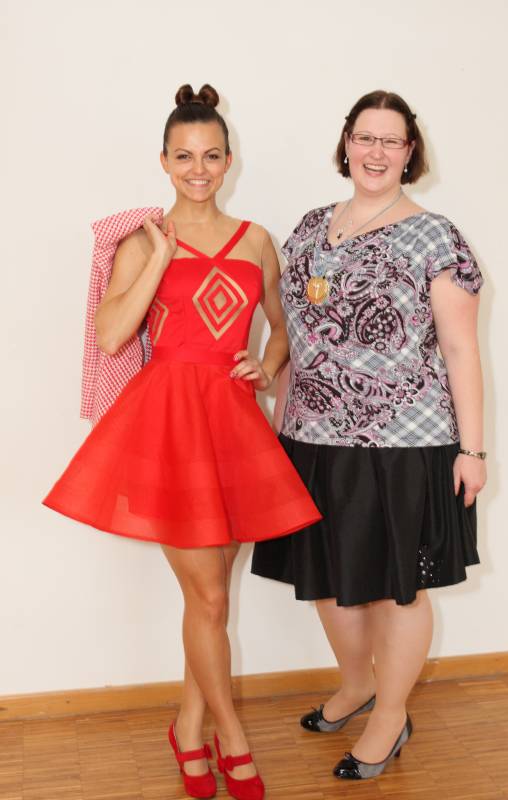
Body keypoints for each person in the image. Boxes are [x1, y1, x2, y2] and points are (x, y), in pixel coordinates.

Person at [44, 83, 320, 800]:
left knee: (210, 602)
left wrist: (268, 364)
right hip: (166, 423)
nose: (199, 169)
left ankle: (187, 728)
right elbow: (112, 334)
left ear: (229, 160)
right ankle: (232, 738)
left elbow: (282, 325)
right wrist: (160, 259)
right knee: (210, 596)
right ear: (163, 161)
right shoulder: (142, 239)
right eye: (184, 156)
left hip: (232, 423)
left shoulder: (255, 239)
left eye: (211, 156)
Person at [251, 89, 486, 781]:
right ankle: (356, 684)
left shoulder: (434, 237)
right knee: (327, 578)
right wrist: (277, 420)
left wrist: (473, 450)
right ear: (346, 143)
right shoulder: (308, 227)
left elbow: (461, 349)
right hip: (310, 433)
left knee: (396, 589)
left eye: (391, 140)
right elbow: (292, 334)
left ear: (410, 152)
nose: (375, 151)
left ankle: (390, 713)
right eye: (364, 137)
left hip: (404, 440)